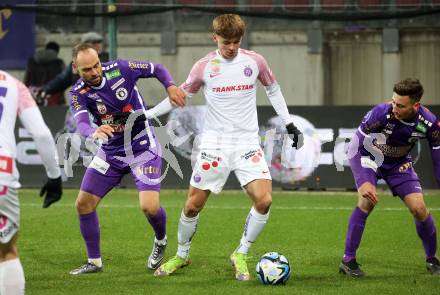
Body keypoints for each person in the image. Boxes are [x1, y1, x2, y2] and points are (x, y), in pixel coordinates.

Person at [149, 14, 303, 281]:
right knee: (193, 206)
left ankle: (241, 253)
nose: (231, 47)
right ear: (214, 38)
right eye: (226, 42)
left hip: (247, 144)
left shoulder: (255, 61)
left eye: (236, 41)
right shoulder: (204, 67)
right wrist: (148, 116)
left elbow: (274, 89)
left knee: (264, 200)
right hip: (214, 145)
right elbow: (179, 96)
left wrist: (289, 124)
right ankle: (182, 255)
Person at [68, 43, 186, 275]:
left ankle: (160, 241)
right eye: (86, 70)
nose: (94, 72)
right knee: (83, 204)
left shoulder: (121, 68)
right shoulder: (78, 92)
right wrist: (93, 132)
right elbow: (81, 121)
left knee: (150, 207)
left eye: (96, 65)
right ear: (75, 68)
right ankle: (94, 262)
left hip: (142, 146)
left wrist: (170, 86)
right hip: (111, 152)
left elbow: (157, 68)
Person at [339, 78, 440, 277]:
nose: (394, 108)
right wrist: (362, 182)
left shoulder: (429, 123)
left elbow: (438, 155)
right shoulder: (380, 113)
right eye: (394, 102)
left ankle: (432, 259)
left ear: (415, 105)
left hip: (398, 164)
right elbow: (353, 147)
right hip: (370, 158)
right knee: (366, 202)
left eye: (400, 105)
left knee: (419, 208)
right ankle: (348, 261)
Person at [0, 70, 62, 294]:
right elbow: (42, 135)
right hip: (2, 173)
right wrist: (54, 176)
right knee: (6, 253)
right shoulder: (13, 84)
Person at [38, 32, 109, 104]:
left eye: (99, 43)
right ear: (84, 45)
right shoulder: (77, 63)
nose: (98, 46)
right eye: (94, 43)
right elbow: (62, 79)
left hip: (101, 103)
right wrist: (45, 89)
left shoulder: (107, 60)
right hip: (80, 102)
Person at [24, 41, 65, 106]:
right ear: (57, 52)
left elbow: (26, 81)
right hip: (53, 99)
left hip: (33, 97)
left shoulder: (31, 62)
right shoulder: (59, 63)